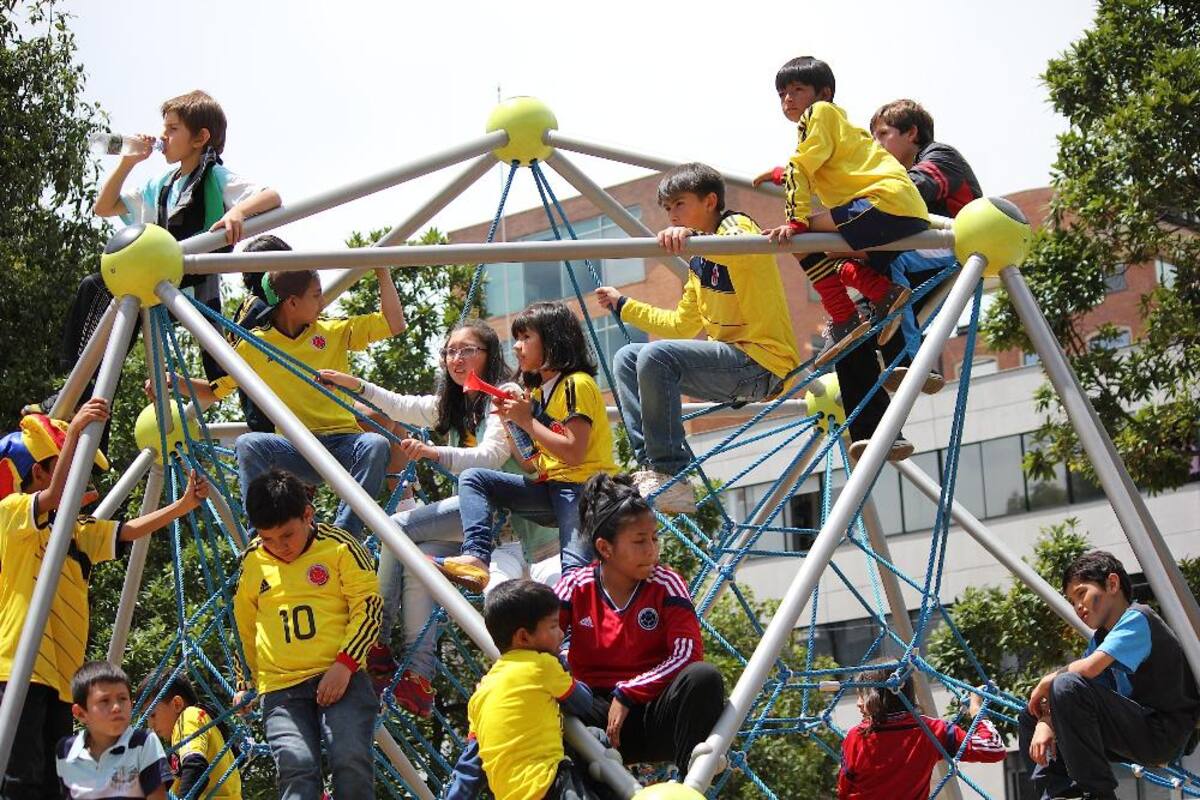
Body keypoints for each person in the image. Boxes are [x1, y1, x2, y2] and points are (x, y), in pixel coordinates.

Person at [319, 319, 560, 716]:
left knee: (394, 528)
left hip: (500, 511)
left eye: (467, 351)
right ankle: (419, 675)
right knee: (421, 561)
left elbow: (490, 458)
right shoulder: (454, 402)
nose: (456, 358)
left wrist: (433, 454)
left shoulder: (505, 394)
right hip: (474, 518)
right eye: (450, 351)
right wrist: (356, 384)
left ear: (489, 355)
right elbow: (403, 405)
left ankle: (376, 636)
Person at [0, 400, 208, 800]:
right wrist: (76, 431)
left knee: (51, 784)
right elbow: (56, 493)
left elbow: (127, 530)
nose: (80, 480)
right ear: (38, 471)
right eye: (65, 464)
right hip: (20, 665)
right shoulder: (12, 513)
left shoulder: (77, 531)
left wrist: (182, 507)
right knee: (20, 778)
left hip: (61, 676)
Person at [47, 89, 280, 411]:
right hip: (152, 285)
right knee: (104, 304)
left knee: (220, 369)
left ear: (200, 138)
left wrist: (236, 212)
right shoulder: (162, 184)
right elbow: (104, 206)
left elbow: (270, 196)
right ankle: (79, 388)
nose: (163, 136)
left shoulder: (214, 175)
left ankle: (80, 387)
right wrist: (129, 162)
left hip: (190, 286)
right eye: (164, 128)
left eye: (173, 129)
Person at [155, 239, 406, 538]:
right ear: (292, 302)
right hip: (296, 448)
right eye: (316, 295)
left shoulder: (331, 331)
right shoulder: (254, 345)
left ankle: (346, 531)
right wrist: (174, 383)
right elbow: (214, 391)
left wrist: (381, 270)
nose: (323, 302)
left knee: (375, 443)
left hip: (341, 444)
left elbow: (394, 324)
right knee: (249, 444)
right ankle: (259, 534)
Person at [598, 163, 801, 514]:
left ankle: (671, 473)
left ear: (710, 201)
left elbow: (742, 246)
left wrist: (694, 242)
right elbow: (681, 325)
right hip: (732, 364)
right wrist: (624, 305)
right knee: (628, 357)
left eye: (680, 204)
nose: (672, 215)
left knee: (657, 357)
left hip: (764, 363)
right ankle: (653, 469)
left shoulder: (735, 227)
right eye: (667, 208)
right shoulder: (700, 262)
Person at [755, 57, 929, 367]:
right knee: (828, 253)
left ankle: (847, 313)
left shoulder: (818, 113)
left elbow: (802, 165)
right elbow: (824, 167)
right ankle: (880, 294)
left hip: (882, 203)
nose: (788, 99)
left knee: (800, 241)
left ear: (823, 93)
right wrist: (782, 174)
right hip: (899, 207)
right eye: (781, 93)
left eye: (797, 89)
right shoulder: (840, 124)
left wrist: (795, 221)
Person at [435, 302, 617, 594]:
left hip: (583, 490)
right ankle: (477, 557)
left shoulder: (576, 385)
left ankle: (575, 638)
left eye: (525, 338)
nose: (517, 347)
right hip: (550, 488)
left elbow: (573, 452)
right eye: (516, 339)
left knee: (574, 573)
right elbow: (530, 463)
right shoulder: (537, 393)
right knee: (473, 478)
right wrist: (511, 424)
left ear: (553, 341)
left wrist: (526, 421)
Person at [557, 473, 725, 776]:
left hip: (651, 712)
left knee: (704, 677)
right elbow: (538, 640)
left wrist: (629, 692)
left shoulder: (666, 582)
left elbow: (687, 653)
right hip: (595, 718)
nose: (651, 550)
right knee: (546, 696)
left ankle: (691, 777)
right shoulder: (576, 586)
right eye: (639, 541)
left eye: (654, 538)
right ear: (605, 548)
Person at [231, 469, 382, 800]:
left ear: (308, 515)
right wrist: (246, 683)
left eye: (287, 535)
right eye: (268, 538)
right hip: (281, 688)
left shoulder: (340, 546)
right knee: (296, 767)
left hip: (340, 676)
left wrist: (345, 665)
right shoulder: (253, 560)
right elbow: (244, 624)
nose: (279, 547)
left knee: (350, 759)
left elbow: (368, 607)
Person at [1019, 551, 1200, 800]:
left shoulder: (1138, 618)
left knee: (1065, 685)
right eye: (1072, 601)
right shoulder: (1100, 639)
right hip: (1133, 729)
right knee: (1031, 714)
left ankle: (1098, 794)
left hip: (1162, 733)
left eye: (1081, 593)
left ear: (1112, 584)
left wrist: (1047, 679)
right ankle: (1060, 794)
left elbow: (1087, 671)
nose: (1077, 607)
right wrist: (1044, 722)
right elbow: (1079, 690)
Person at [445, 580, 603, 800]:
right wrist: (563, 663)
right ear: (523, 637)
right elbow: (583, 702)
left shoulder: (481, 693)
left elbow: (471, 762)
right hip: (548, 784)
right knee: (597, 738)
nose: (560, 634)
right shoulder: (542, 666)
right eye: (553, 626)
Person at [870, 99, 983, 393]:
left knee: (891, 257)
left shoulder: (940, 156)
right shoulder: (901, 173)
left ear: (912, 133)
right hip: (933, 252)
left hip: (960, 247)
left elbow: (915, 189)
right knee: (867, 310)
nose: (876, 144)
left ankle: (910, 358)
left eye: (883, 134)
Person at [837, 667, 1004, 799]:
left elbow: (844, 789)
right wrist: (976, 709)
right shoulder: (932, 731)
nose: (858, 703)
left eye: (862, 695)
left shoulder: (856, 737)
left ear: (875, 698)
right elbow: (994, 748)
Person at [55, 661, 171, 800]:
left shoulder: (143, 743)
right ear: (80, 713)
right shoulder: (66, 751)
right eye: (105, 701)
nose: (116, 707)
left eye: (122, 698)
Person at [142, 672, 243, 799]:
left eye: (152, 715)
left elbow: (195, 766)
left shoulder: (188, 716)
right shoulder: (202, 725)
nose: (150, 725)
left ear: (177, 704)